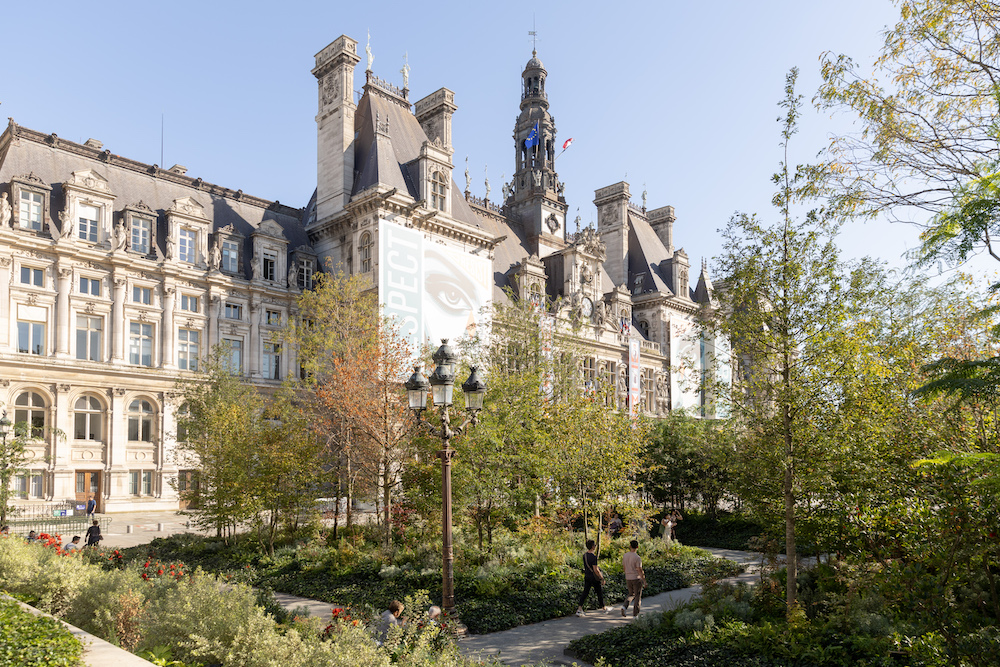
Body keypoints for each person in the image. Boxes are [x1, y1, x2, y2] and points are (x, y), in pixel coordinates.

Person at [576, 539, 611, 616]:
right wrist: (602, 578)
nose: (595, 546)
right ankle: (604, 609)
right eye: (594, 545)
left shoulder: (584, 555)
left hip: (587, 576)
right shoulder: (593, 557)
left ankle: (579, 609)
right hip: (594, 578)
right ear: (592, 547)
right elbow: (596, 570)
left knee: (585, 592)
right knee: (599, 592)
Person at [621, 539, 646, 617]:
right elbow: (639, 569)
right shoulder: (637, 557)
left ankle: (624, 606)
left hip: (628, 577)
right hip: (636, 578)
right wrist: (644, 580)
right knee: (637, 597)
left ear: (630, 546)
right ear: (637, 547)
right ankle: (635, 614)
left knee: (631, 594)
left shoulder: (625, 555)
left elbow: (624, 567)